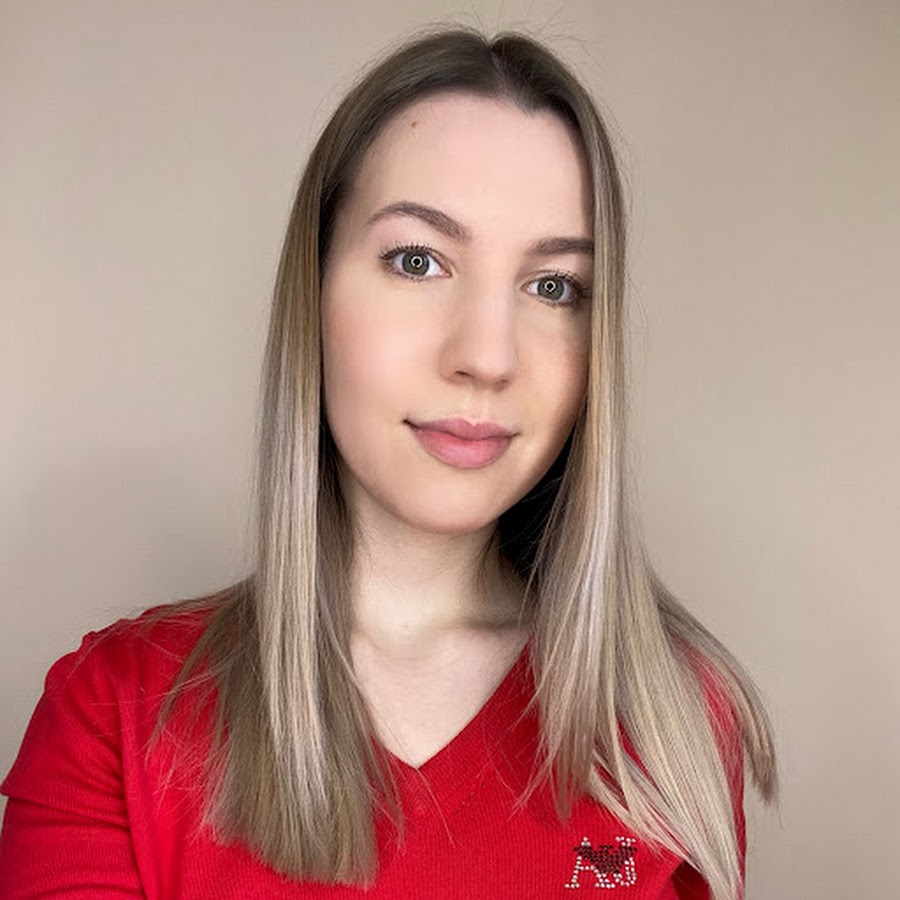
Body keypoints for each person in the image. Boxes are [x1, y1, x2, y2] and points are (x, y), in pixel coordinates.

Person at [0, 27, 777, 899]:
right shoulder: (118, 715)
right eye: (418, 261)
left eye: (554, 285)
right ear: (314, 290)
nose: (487, 356)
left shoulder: (674, 723)